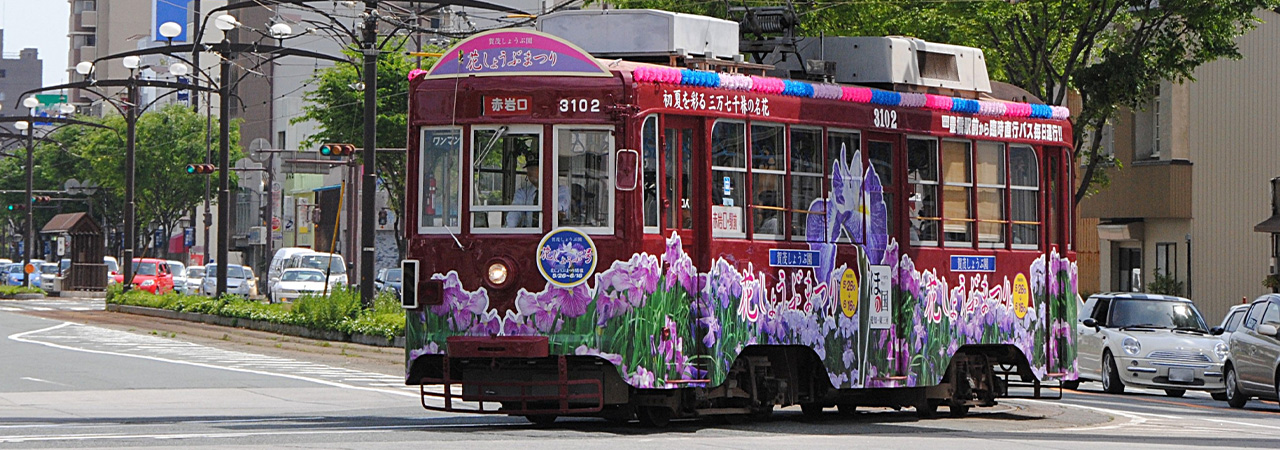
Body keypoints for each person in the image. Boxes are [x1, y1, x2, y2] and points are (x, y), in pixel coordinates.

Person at [505, 158, 570, 228]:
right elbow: (514, 214)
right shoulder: (523, 193)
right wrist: (509, 229)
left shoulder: (561, 190)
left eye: (533, 169)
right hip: (530, 235)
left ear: (544, 169)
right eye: (528, 169)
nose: (529, 173)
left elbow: (560, 209)